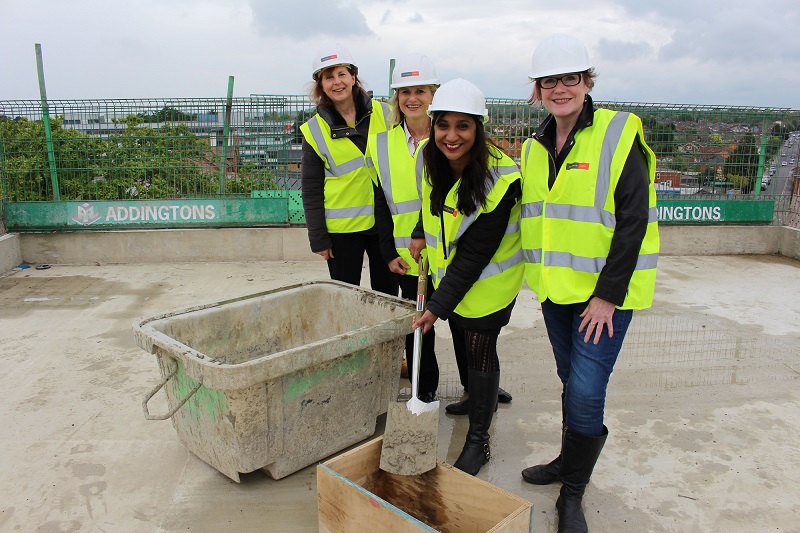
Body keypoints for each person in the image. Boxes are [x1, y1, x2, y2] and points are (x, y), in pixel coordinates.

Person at [518, 34, 659, 532]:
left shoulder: (618, 134)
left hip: (605, 299)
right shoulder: (535, 148)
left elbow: (633, 221)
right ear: (537, 90)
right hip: (557, 292)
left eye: (570, 79)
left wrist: (606, 296)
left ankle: (572, 493)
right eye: (549, 81)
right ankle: (567, 461)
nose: (561, 89)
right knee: (569, 381)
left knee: (584, 390)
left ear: (587, 82)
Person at [411, 78, 524, 476]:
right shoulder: (429, 156)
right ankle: (478, 398)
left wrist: (437, 307)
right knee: (461, 339)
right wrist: (419, 232)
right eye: (444, 125)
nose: (451, 136)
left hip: (489, 287)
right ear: (434, 125)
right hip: (452, 281)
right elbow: (431, 206)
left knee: (479, 351)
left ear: (479, 129)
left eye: (464, 126)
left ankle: (479, 439)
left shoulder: (501, 179)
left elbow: (476, 253)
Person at [300, 43, 398, 296]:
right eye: (328, 77)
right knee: (345, 296)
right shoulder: (313, 130)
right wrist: (318, 237)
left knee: (387, 293)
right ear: (321, 85)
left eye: (342, 74)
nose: (337, 82)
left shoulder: (386, 113)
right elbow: (311, 189)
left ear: (354, 77)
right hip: (342, 232)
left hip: (386, 222)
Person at [369, 54, 440, 402]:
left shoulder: (448, 136)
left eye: (421, 91)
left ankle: (477, 390)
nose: (412, 98)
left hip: (445, 248)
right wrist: (386, 251)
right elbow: (380, 200)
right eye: (405, 91)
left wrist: (422, 229)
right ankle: (423, 392)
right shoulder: (381, 143)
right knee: (418, 326)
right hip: (407, 255)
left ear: (434, 93)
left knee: (463, 324)